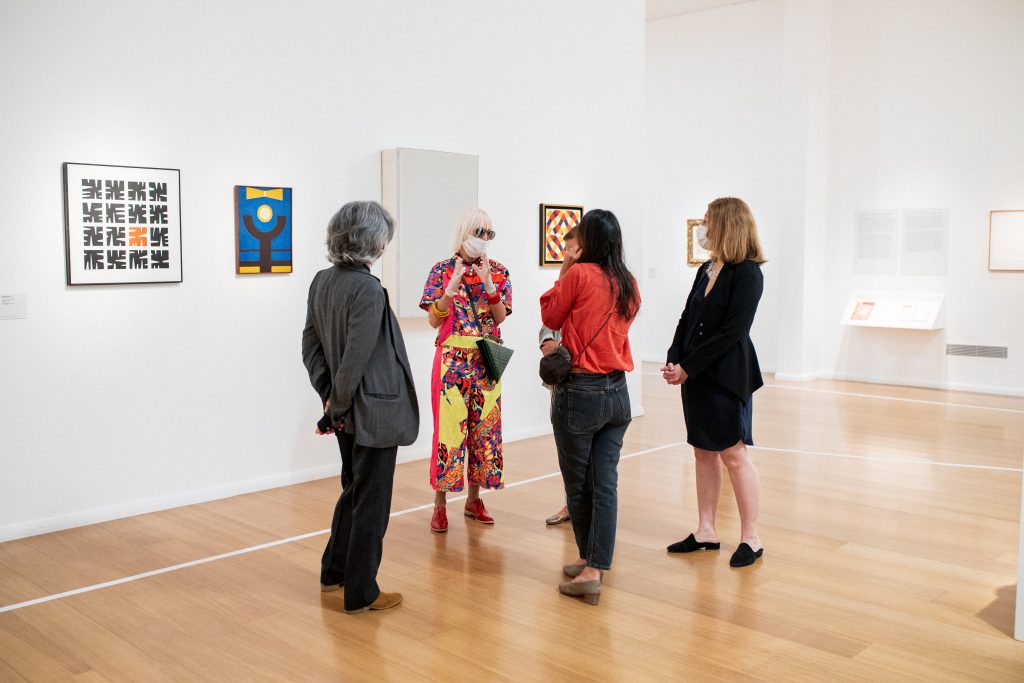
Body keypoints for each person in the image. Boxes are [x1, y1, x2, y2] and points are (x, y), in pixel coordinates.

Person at [301, 201, 419, 613]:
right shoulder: (367, 289)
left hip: (346, 409)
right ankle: (361, 591)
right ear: (371, 241)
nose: (386, 245)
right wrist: (336, 404)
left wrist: (329, 397)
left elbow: (310, 347)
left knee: (353, 491)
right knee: (371, 502)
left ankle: (333, 573)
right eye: (383, 238)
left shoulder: (321, 281)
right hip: (373, 412)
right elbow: (355, 357)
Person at [540, 209, 640, 605]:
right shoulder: (628, 282)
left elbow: (550, 314)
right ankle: (592, 561)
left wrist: (565, 269)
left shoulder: (579, 275)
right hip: (618, 393)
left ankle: (592, 570)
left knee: (578, 484)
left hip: (580, 392)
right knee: (605, 483)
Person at [661, 197, 767, 568]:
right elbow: (687, 317)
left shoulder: (748, 273)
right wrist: (675, 357)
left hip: (725, 376)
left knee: (733, 455)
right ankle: (706, 531)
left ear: (726, 224)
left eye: (707, 220)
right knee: (702, 451)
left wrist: (688, 367)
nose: (702, 226)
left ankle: (751, 537)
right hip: (695, 374)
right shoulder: (707, 268)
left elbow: (732, 332)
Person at [420, 208, 512, 533]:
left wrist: (488, 284)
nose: (484, 239)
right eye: (479, 232)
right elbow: (433, 320)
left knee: (484, 432)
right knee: (448, 433)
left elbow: (500, 317)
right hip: (451, 362)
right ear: (464, 232)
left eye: (489, 233)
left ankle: (474, 500)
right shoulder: (441, 270)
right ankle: (440, 505)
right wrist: (450, 289)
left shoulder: (498, 271)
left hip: (486, 360)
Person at [540, 227, 578, 526]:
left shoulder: (592, 284)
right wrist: (546, 342)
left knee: (582, 453)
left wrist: (561, 348)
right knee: (568, 451)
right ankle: (571, 504)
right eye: (566, 252)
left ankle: (584, 508)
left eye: (572, 250)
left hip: (585, 380)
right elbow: (549, 322)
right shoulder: (566, 283)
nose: (568, 256)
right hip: (563, 381)